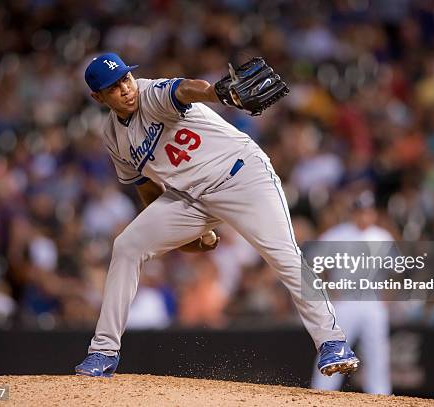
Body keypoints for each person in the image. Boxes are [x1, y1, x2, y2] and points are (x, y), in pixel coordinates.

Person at [74, 53, 359, 377]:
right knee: (127, 245)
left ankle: (332, 342)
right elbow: (147, 190)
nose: (125, 88)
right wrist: (187, 236)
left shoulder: (150, 93)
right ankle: (103, 352)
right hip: (192, 198)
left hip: (242, 177)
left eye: (125, 78)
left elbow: (186, 89)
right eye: (113, 87)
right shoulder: (113, 136)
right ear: (98, 97)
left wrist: (216, 93)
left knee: (284, 256)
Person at [310, 190, 392, 395]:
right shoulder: (337, 234)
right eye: (361, 211)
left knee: (377, 353)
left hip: (372, 303)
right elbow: (313, 265)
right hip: (345, 303)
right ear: (353, 213)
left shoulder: (382, 236)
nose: (365, 216)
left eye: (369, 211)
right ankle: (321, 394)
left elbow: (395, 271)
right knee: (333, 349)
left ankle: (380, 396)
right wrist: (326, 291)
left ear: (374, 213)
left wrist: (387, 297)